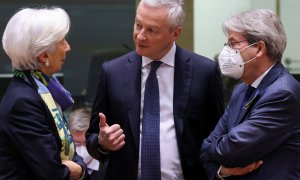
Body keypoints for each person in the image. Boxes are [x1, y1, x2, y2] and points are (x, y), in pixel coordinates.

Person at [86, 0, 224, 179]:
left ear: (175, 33)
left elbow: (218, 137)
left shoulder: (204, 72)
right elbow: (92, 139)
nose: (140, 36)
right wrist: (102, 143)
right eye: (138, 25)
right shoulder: (112, 72)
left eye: (151, 30)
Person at [200, 9, 300, 180]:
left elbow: (231, 151)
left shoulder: (283, 93)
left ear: (259, 48)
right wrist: (222, 171)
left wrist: (212, 148)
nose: (226, 51)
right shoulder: (241, 90)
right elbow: (205, 150)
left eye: (233, 43)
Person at [0, 6, 89, 180]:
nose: (68, 47)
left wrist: (79, 168)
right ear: (44, 55)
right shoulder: (23, 101)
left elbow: (68, 154)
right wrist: (80, 171)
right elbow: (53, 173)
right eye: (62, 41)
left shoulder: (42, 89)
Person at [69, 107, 107, 180]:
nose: (82, 150)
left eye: (86, 143)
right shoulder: (63, 168)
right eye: (76, 143)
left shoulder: (109, 169)